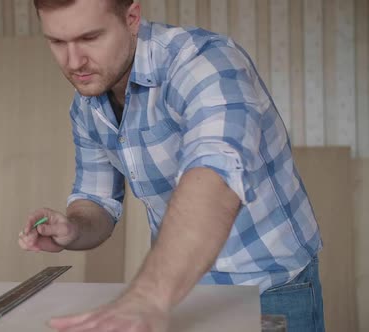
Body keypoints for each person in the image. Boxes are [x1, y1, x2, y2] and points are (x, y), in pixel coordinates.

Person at [17, 0, 325, 331]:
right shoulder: (87, 105)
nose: (74, 61)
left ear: (132, 17)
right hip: (181, 293)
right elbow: (96, 200)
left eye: (90, 38)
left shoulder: (206, 61)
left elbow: (215, 177)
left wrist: (147, 297)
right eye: (58, 42)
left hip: (269, 288)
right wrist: (74, 228)